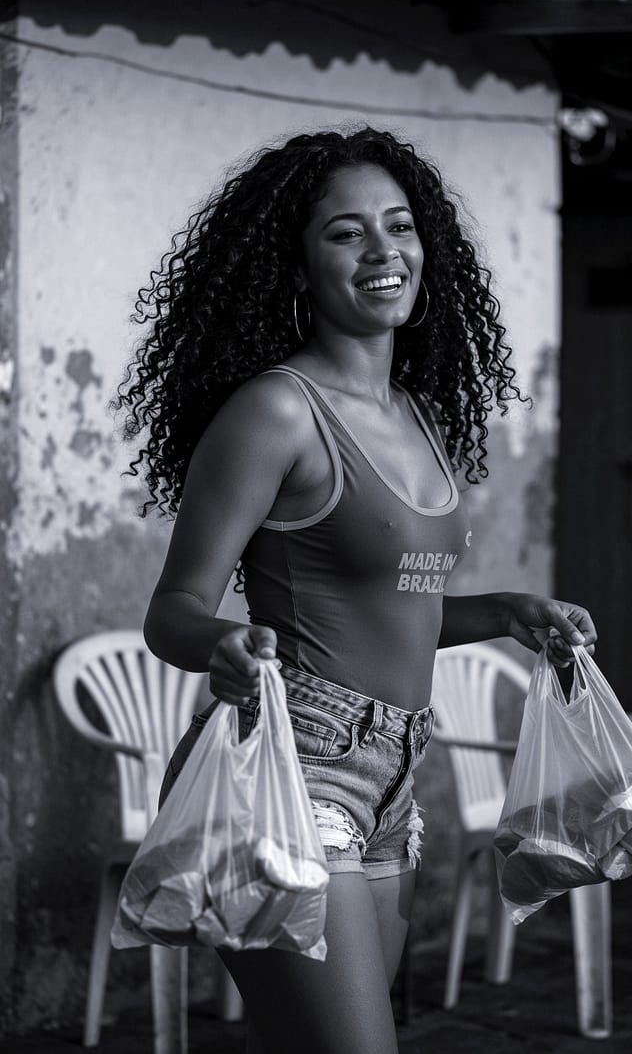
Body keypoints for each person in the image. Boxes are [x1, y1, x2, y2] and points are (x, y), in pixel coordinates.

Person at [115, 126, 597, 1054]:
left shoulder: (419, 411)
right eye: (346, 234)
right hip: (297, 765)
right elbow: (171, 608)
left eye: (400, 225)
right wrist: (218, 645)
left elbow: (395, 610)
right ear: (297, 265)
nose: (384, 253)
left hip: (394, 782)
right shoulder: (278, 410)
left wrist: (507, 613)